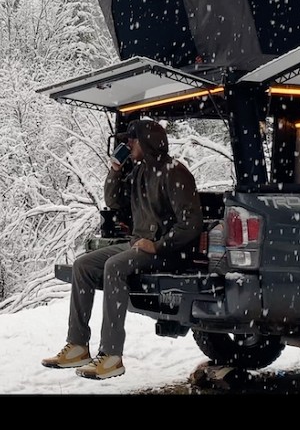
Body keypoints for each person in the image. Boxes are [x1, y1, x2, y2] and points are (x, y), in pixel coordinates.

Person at [41, 117, 203, 379]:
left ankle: (111, 356)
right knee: (83, 265)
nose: (127, 143)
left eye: (132, 139)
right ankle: (78, 346)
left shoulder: (175, 172)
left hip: (168, 253)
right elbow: (114, 202)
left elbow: (191, 224)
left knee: (114, 266)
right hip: (138, 245)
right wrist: (115, 170)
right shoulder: (139, 170)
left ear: (146, 141)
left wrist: (158, 245)